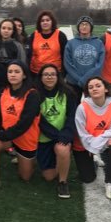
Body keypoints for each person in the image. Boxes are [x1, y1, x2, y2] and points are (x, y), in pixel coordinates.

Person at [0, 60, 41, 196]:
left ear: (24, 75)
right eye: (10, 72)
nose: (13, 74)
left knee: (25, 177)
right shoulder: (3, 91)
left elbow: (24, 124)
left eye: (17, 71)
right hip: (8, 136)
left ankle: (28, 157)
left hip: (25, 137)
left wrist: (1, 135)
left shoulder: (32, 94)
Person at [74, 77, 111, 199]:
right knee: (88, 178)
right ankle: (94, 159)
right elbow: (82, 134)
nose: (94, 88)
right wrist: (92, 146)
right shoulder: (82, 107)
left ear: (105, 89)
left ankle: (109, 182)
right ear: (88, 92)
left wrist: (95, 145)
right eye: (91, 87)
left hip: (101, 141)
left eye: (98, 86)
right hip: (84, 144)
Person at [37, 63, 76, 198]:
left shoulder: (68, 93)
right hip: (45, 137)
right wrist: (57, 135)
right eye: (46, 74)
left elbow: (72, 117)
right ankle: (62, 160)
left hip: (62, 136)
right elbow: (39, 121)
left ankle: (63, 182)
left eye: (52, 74)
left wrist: (65, 135)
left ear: (58, 77)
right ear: (41, 77)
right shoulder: (35, 94)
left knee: (62, 149)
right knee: (48, 176)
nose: (49, 77)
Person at [0, 19, 27, 124]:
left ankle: (7, 135)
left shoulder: (17, 46)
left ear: (13, 31)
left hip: (9, 85)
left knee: (8, 112)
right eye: (3, 28)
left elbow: (22, 66)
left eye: (9, 28)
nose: (6, 30)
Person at [64, 15, 105, 103]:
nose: (84, 26)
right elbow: (68, 64)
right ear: (78, 27)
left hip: (92, 83)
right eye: (82, 24)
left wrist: (86, 79)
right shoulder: (71, 43)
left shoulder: (99, 43)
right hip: (73, 83)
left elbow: (99, 64)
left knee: (93, 108)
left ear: (91, 27)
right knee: (72, 108)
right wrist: (79, 79)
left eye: (87, 24)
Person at [28, 10, 67, 78]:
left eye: (47, 20)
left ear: (52, 22)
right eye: (42, 21)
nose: (45, 22)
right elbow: (29, 54)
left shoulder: (60, 35)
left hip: (55, 73)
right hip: (36, 73)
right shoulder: (33, 35)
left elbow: (65, 56)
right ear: (39, 23)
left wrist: (63, 73)